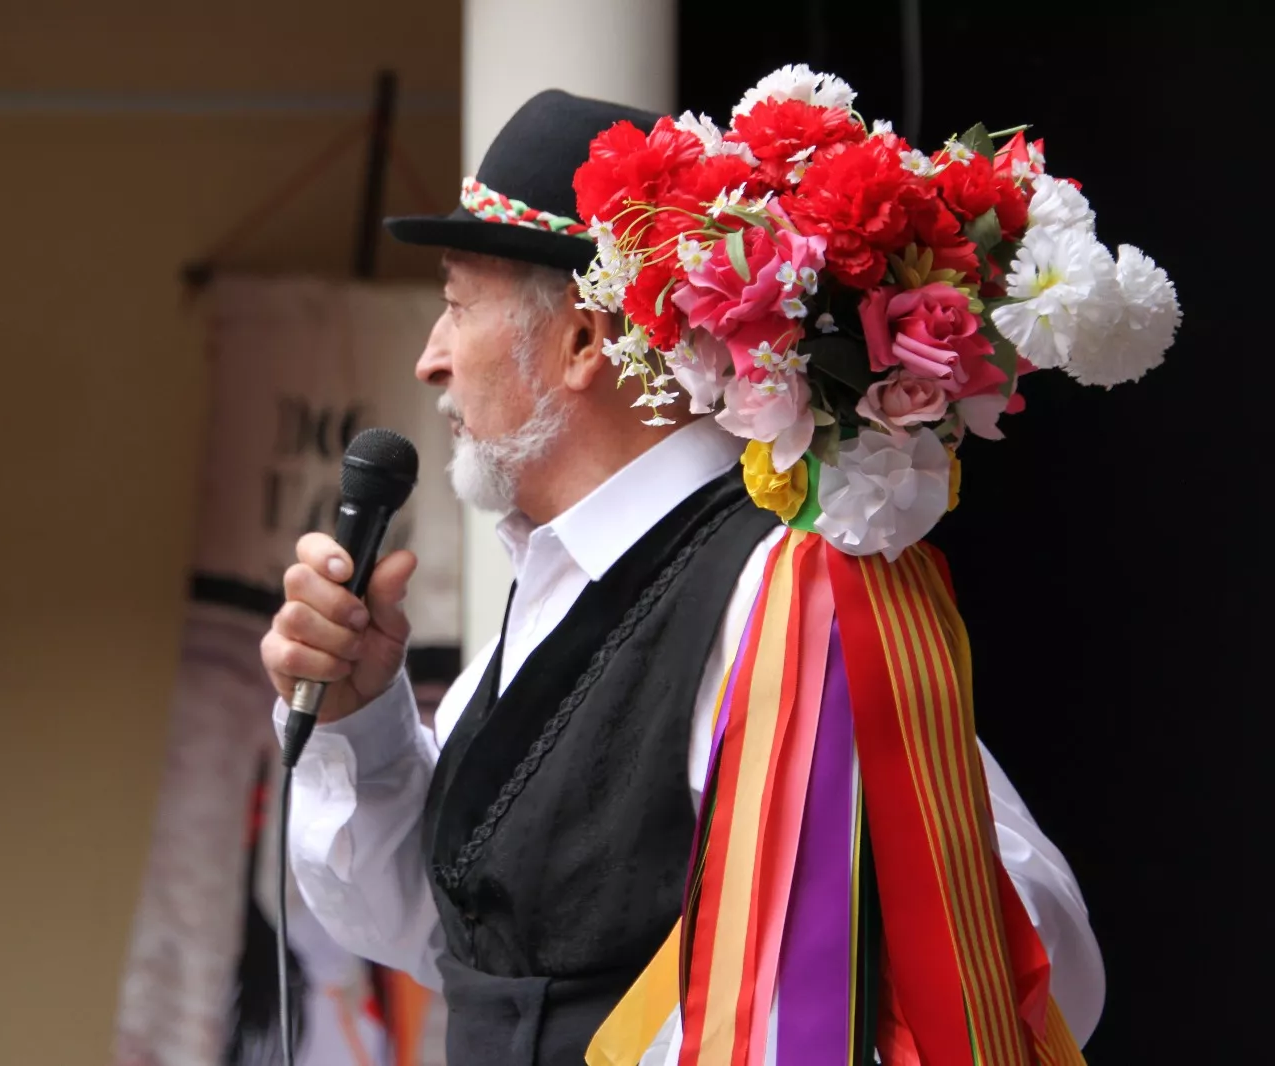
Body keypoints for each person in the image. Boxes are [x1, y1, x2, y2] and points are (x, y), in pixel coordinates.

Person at [260, 89, 1103, 1065]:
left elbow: (1029, 955)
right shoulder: (556, 591)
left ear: (581, 340)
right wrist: (358, 720)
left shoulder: (779, 596)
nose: (428, 361)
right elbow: (448, 935)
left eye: (454, 306)